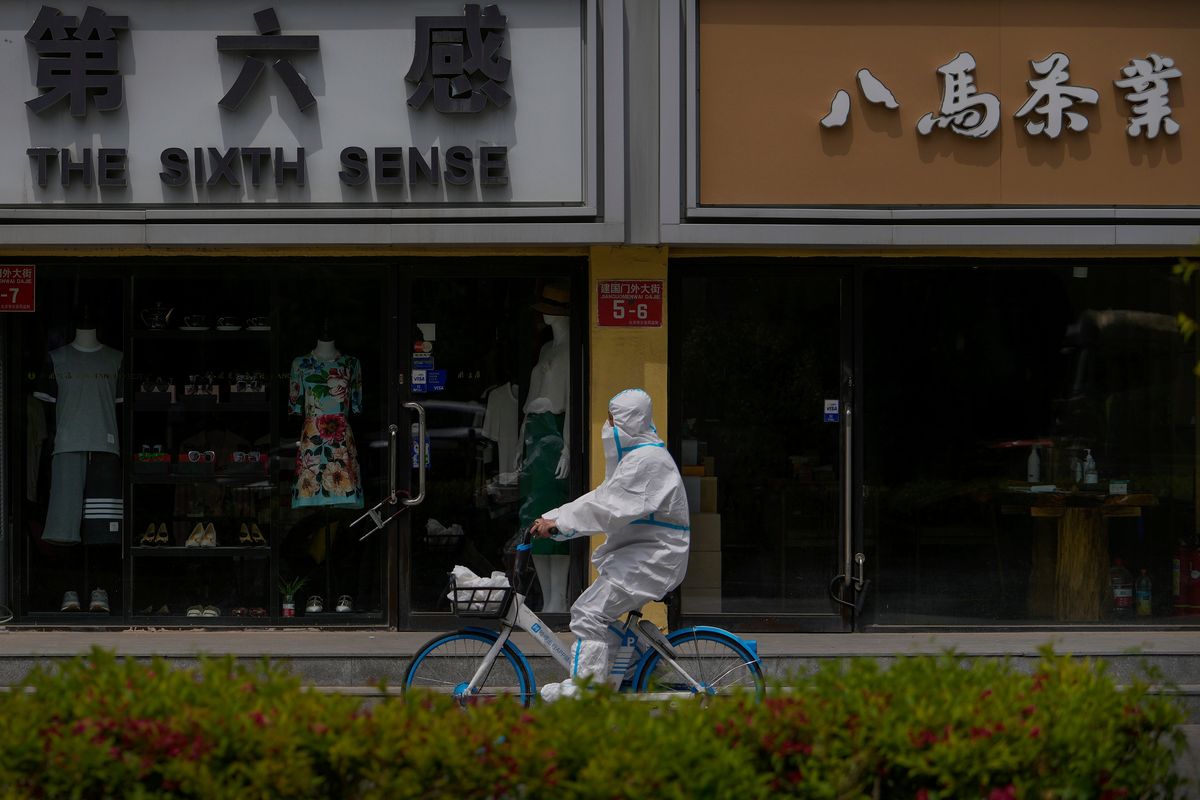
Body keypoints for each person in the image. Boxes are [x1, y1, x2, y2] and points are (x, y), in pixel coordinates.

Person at [530, 388, 689, 700]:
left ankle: (585, 691)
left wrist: (559, 524)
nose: (608, 428)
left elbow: (608, 508)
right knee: (601, 618)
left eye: (612, 421)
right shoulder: (639, 458)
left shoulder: (648, 461)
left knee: (588, 613)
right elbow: (603, 497)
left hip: (653, 559)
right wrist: (554, 517)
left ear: (629, 423)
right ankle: (645, 669)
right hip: (646, 555)